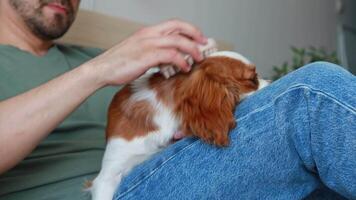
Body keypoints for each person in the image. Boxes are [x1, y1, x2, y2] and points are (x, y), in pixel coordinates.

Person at [0, 0, 354, 199]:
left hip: (171, 171)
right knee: (311, 95)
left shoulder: (96, 58)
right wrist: (100, 69)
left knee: (321, 168)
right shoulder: (101, 65)